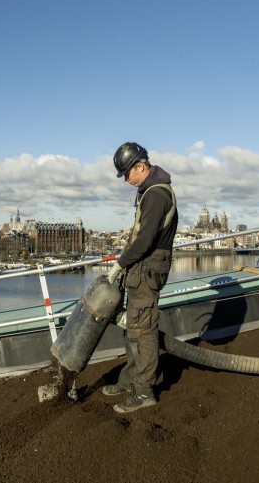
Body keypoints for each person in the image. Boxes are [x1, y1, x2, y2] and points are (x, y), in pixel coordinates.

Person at [105, 141, 178, 413]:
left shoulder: (156, 195)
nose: (126, 179)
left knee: (143, 332)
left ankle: (145, 392)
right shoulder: (148, 191)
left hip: (147, 270)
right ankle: (129, 381)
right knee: (132, 330)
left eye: (127, 173)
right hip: (141, 270)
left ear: (140, 166)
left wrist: (120, 264)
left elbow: (145, 240)